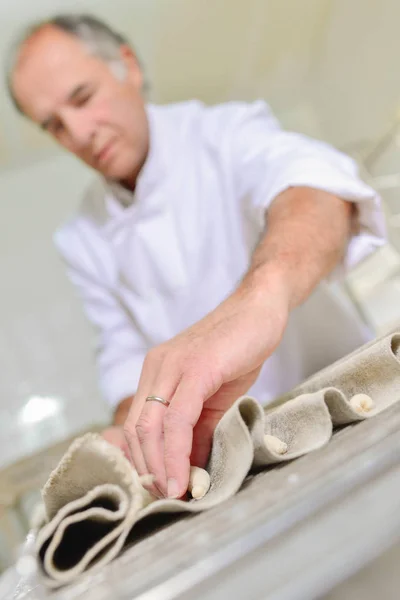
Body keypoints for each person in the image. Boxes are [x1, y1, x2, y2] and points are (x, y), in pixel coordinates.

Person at [8, 14, 385, 500]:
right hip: (230, 477)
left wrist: (259, 299)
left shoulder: (222, 133)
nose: (79, 132)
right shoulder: (82, 237)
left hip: (348, 418)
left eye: (82, 98)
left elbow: (315, 187)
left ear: (128, 66)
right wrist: (129, 428)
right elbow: (122, 355)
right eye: (54, 125)